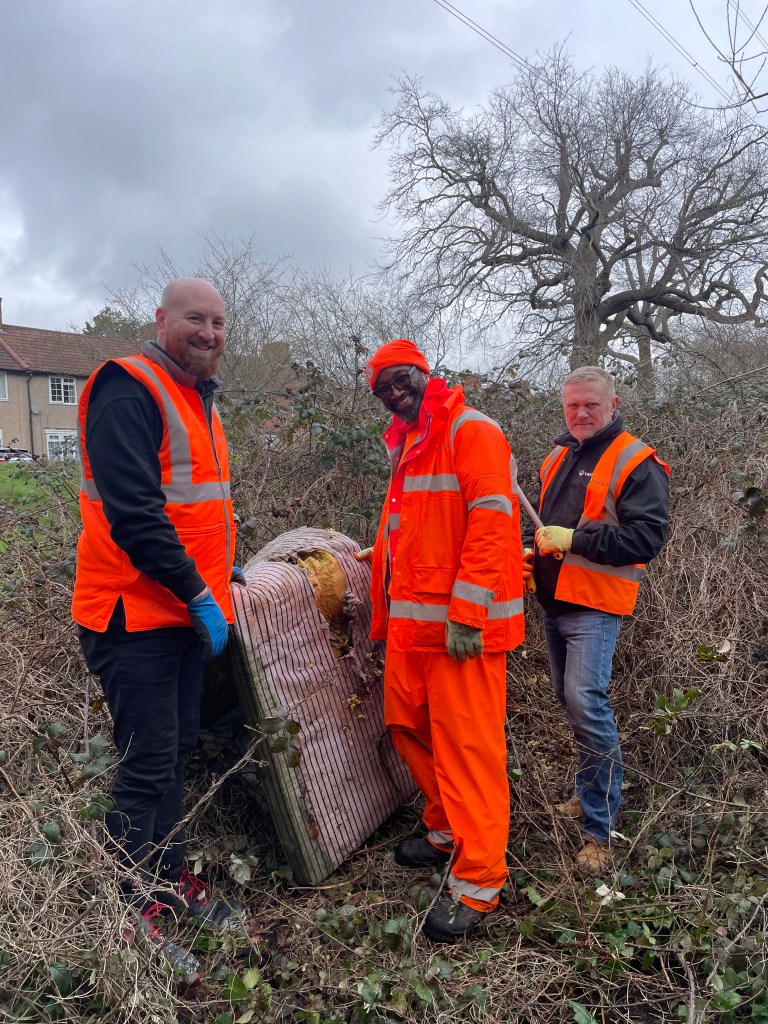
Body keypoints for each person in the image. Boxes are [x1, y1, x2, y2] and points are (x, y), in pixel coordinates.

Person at [72, 277, 245, 974]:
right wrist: (198, 593)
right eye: (195, 319)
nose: (209, 332)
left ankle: (169, 883)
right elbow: (137, 517)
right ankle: (128, 914)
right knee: (144, 768)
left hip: (176, 613)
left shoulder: (196, 397)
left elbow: (196, 509)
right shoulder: (128, 388)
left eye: (219, 322)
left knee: (171, 755)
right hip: (130, 617)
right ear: (161, 319)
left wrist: (219, 575)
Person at [361, 338, 524, 943]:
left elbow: (491, 520)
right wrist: (374, 558)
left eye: (400, 381)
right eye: (382, 391)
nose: (393, 395)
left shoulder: (471, 430)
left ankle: (480, 878)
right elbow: (411, 528)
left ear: (426, 374)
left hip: (460, 633)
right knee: (407, 728)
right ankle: (446, 828)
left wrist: (467, 611)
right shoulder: (409, 443)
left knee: (468, 752)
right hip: (412, 629)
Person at [523, 366, 669, 874]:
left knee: (587, 705)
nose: (580, 414)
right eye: (572, 406)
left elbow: (646, 539)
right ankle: (589, 790)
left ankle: (599, 829)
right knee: (571, 702)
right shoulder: (557, 456)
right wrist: (530, 551)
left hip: (594, 606)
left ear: (613, 403)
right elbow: (537, 524)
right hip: (553, 602)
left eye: (590, 405)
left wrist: (573, 539)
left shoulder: (635, 460)